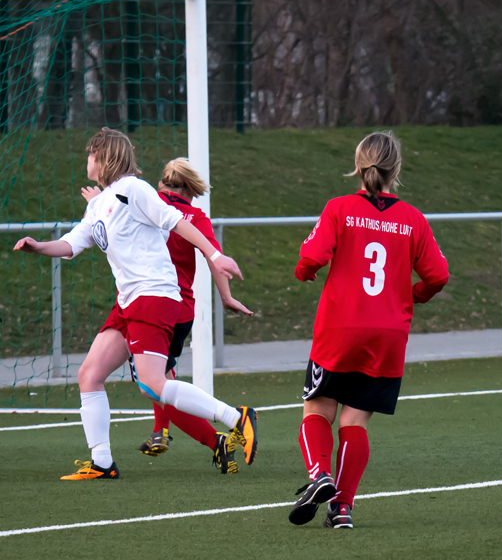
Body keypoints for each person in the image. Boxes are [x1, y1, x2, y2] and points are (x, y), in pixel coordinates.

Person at [13, 128, 258, 479]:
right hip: (128, 300)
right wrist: (38, 245)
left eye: (90, 154)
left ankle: (237, 418)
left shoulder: (134, 189)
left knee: (153, 384)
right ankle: (102, 463)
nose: (87, 159)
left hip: (153, 295)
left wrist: (214, 254)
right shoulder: (99, 203)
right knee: (89, 375)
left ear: (104, 157)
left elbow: (175, 222)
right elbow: (70, 244)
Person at [288, 131, 449, 529]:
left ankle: (319, 476)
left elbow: (311, 256)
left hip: (340, 329)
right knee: (354, 423)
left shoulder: (340, 209)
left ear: (358, 166)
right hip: (388, 335)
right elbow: (439, 275)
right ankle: (342, 508)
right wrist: (415, 294)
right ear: (396, 170)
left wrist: (305, 271)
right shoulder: (413, 219)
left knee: (318, 410)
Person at [80, 158, 254, 475]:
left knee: (155, 384)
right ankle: (173, 433)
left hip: (151, 304)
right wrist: (226, 297)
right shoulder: (194, 216)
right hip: (179, 307)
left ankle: (218, 429)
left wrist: (98, 203)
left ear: (162, 182)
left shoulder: (142, 199)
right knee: (158, 381)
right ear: (191, 188)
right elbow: (212, 254)